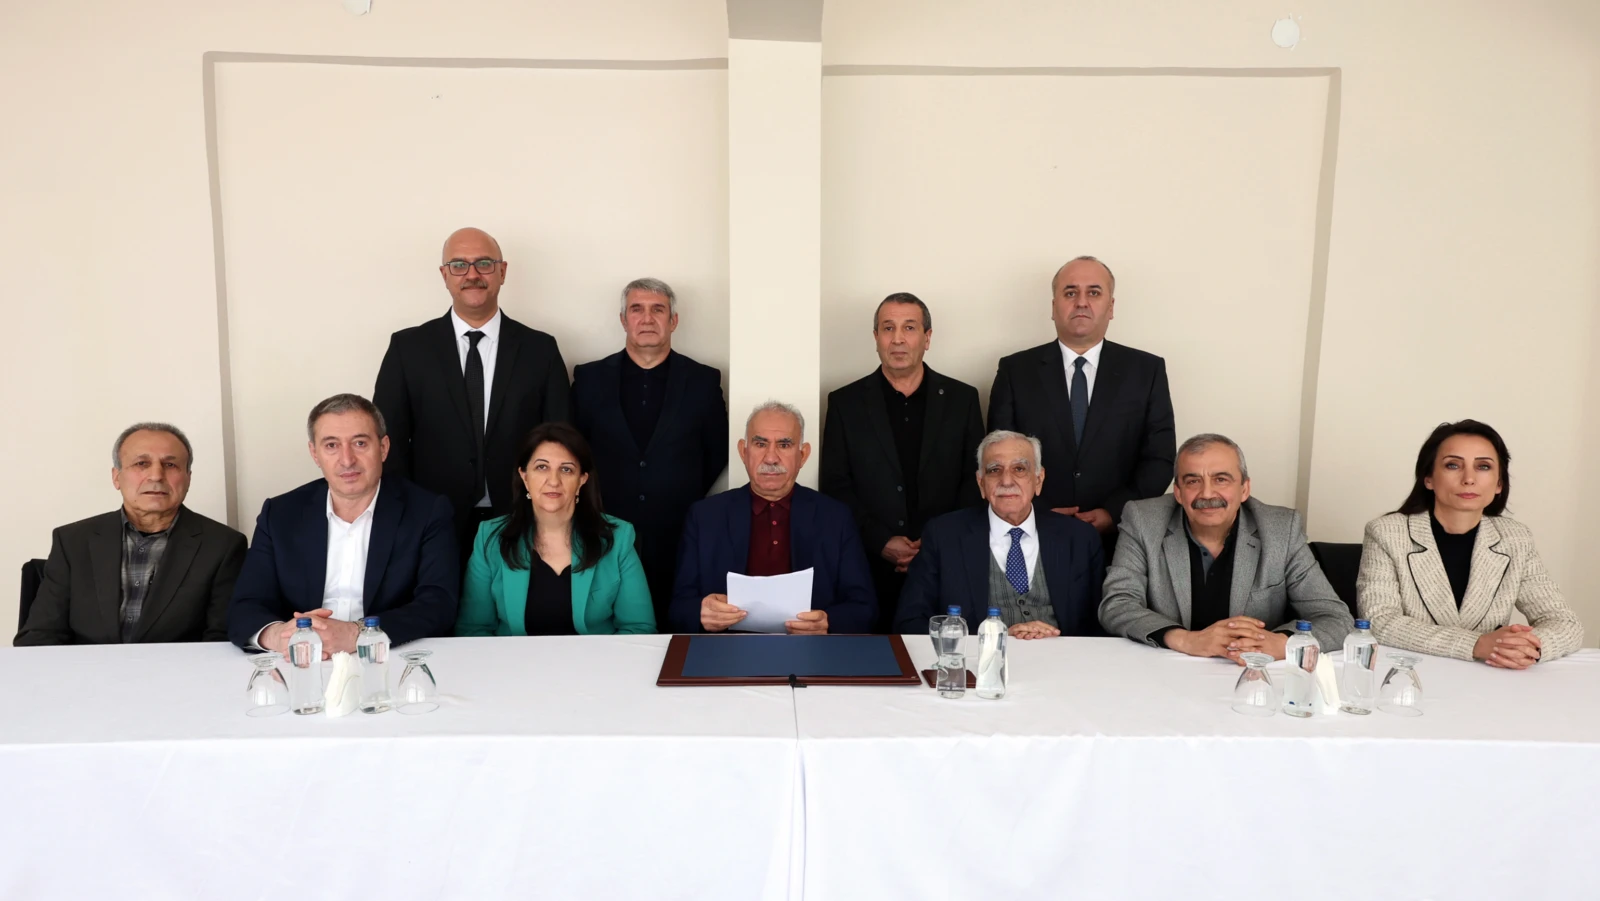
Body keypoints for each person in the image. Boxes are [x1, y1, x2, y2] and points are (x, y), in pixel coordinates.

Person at [374, 227, 571, 565]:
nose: (472, 274)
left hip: (521, 515)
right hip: (431, 518)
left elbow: (560, 437)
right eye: (459, 265)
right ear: (444, 275)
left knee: (516, 616)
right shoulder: (408, 349)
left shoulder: (541, 349)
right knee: (439, 614)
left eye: (484, 263)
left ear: (502, 271)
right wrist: (404, 509)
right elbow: (385, 439)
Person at [227, 394, 459, 654]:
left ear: (383, 448)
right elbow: (246, 604)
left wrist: (357, 634)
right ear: (314, 453)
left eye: (360, 443)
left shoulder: (427, 511)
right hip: (301, 662)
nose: (347, 459)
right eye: (331, 445)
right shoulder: (280, 514)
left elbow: (438, 604)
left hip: (389, 658)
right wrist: (279, 635)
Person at [1099, 433, 1352, 661]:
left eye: (1221, 479)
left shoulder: (1281, 529)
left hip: (1250, 676)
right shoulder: (1143, 520)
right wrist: (1187, 640)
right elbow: (1117, 604)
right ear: (1178, 492)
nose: (1207, 494)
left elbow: (1335, 618)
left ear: (1244, 489)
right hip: (1168, 670)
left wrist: (1280, 643)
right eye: (1193, 481)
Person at [1357, 420, 1584, 667]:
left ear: (1499, 483)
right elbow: (1379, 621)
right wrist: (1475, 644)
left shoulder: (1515, 538)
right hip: (1411, 674)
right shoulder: (1388, 532)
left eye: (1483, 466)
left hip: (1489, 679)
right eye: (1453, 465)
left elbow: (1564, 623)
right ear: (1429, 478)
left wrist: (1526, 648)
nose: (1468, 479)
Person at [821, 292, 985, 633]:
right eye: (887, 328)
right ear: (876, 338)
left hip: (945, 562)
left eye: (909, 327)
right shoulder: (845, 403)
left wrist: (935, 542)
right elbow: (836, 485)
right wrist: (881, 541)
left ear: (927, 338)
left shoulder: (962, 400)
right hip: (868, 563)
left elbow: (975, 480)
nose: (897, 338)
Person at [988, 256, 1176, 549]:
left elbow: (1160, 458)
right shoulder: (1015, 371)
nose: (1081, 302)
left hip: (1121, 538)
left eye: (1094, 292)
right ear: (1053, 307)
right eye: (1070, 292)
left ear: (1111, 308)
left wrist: (1113, 512)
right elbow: (998, 456)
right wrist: (1039, 510)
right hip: (1034, 532)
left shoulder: (1146, 371)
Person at [571, 277, 727, 627]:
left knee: (673, 622)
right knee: (606, 622)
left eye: (658, 310)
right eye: (636, 310)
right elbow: (574, 448)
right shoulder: (589, 378)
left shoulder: (703, 380)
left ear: (673, 321)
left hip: (677, 529)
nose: (647, 318)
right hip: (603, 527)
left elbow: (716, 449)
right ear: (623, 320)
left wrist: (676, 489)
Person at [15, 423, 246, 646]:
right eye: (141, 463)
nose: (156, 475)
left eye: (171, 465)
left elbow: (220, 642)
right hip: (86, 678)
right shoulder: (73, 541)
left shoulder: (223, 546)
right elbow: (40, 636)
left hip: (175, 680)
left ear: (188, 478)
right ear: (116, 477)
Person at [669, 401, 876, 634]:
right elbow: (678, 608)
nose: (771, 458)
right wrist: (701, 613)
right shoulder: (704, 516)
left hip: (813, 651)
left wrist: (828, 622)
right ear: (743, 452)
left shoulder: (835, 517)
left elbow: (864, 608)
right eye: (760, 444)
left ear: (803, 455)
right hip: (724, 651)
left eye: (784, 445)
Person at [893, 430, 1104, 638]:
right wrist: (992, 639)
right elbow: (910, 621)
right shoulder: (943, 535)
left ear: (1038, 480)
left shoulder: (1080, 538)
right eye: (994, 470)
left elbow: (1101, 624)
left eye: (1020, 469)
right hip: (979, 667)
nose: (1006, 481)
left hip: (1064, 664)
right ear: (981, 483)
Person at [456, 423, 654, 636]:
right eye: (542, 467)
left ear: (581, 480)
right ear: (524, 476)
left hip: (595, 666)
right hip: (514, 667)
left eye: (566, 469)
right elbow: (474, 630)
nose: (553, 481)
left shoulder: (618, 537)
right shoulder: (491, 538)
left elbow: (638, 628)